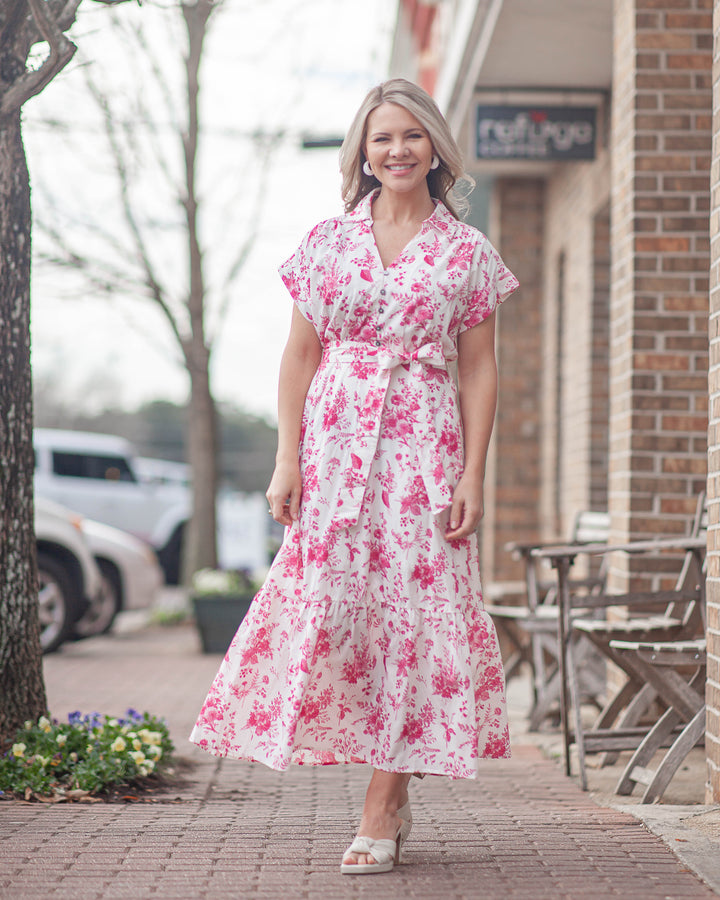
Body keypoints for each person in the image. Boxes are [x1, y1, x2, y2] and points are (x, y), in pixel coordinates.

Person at [190, 77, 518, 875]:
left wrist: (473, 472)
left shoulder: (466, 253)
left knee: (413, 610)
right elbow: (299, 357)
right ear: (362, 153)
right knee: (336, 609)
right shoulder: (327, 243)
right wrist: (287, 457)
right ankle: (393, 788)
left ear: (434, 146)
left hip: (423, 448)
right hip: (336, 445)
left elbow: (480, 373)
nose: (398, 150)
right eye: (382, 138)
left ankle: (381, 803)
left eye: (412, 135)